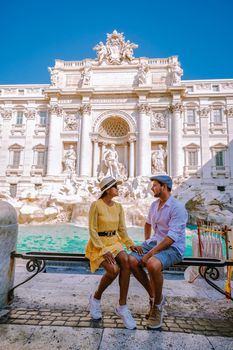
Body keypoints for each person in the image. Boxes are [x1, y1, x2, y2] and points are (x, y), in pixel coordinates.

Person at [129, 175, 188, 329]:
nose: (152, 188)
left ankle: (158, 306)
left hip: (173, 248)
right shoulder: (155, 205)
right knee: (131, 260)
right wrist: (146, 243)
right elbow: (148, 224)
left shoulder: (177, 208)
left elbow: (171, 238)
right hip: (155, 243)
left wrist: (149, 254)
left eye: (155, 185)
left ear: (164, 187)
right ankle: (154, 296)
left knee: (153, 264)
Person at [85, 176, 142, 329]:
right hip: (98, 245)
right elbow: (92, 230)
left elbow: (122, 230)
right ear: (108, 190)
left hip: (114, 243)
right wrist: (103, 250)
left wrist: (131, 245)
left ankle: (122, 307)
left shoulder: (118, 207)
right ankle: (95, 298)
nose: (118, 189)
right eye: (116, 187)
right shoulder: (96, 205)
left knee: (126, 261)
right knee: (113, 270)